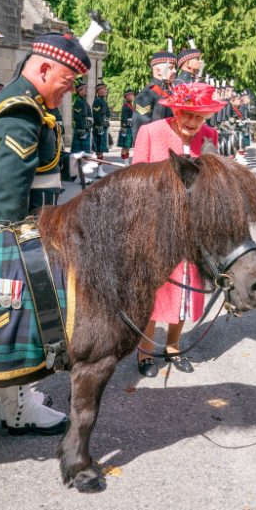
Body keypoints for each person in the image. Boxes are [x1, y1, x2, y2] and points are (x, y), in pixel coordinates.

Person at [0, 32, 97, 435]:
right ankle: (19, 408)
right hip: (15, 226)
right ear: (43, 69)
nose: (69, 90)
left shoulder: (32, 103)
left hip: (28, 223)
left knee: (24, 314)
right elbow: (11, 191)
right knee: (26, 316)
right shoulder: (23, 110)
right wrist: (21, 245)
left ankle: (20, 398)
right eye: (66, 81)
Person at [131, 82, 223, 376]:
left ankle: (173, 347)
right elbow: (135, 184)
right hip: (156, 226)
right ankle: (145, 352)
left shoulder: (210, 136)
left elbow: (213, 182)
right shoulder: (150, 132)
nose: (193, 122)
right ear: (176, 110)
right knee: (155, 291)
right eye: (187, 115)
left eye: (199, 117)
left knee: (185, 291)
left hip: (192, 230)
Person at [131, 50, 177, 144]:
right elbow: (141, 128)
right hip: (156, 146)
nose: (175, 71)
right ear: (158, 71)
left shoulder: (171, 91)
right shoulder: (148, 93)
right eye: (171, 68)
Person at [91, 80, 111, 177]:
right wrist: (99, 126)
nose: (105, 91)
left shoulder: (103, 101)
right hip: (99, 128)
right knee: (99, 150)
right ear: (98, 91)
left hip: (103, 127)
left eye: (105, 89)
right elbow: (96, 115)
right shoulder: (97, 101)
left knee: (101, 150)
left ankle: (100, 170)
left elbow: (107, 114)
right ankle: (99, 171)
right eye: (103, 89)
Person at [118, 87, 135, 165]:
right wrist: (123, 128)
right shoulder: (125, 106)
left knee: (128, 146)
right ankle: (125, 162)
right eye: (130, 95)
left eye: (132, 94)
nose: (132, 96)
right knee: (125, 146)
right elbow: (123, 118)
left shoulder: (131, 105)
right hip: (126, 128)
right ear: (126, 96)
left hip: (130, 128)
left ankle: (126, 162)